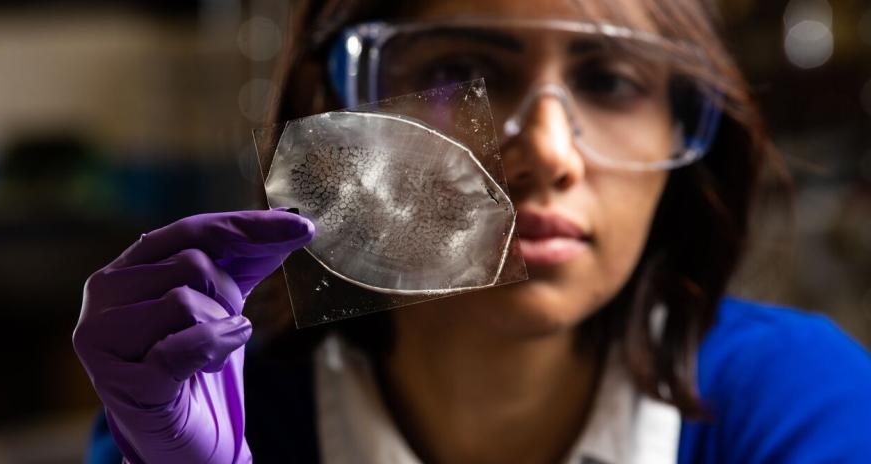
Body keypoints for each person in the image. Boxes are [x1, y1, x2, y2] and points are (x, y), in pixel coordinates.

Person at [74, 0, 871, 463]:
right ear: (341, 115)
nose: (547, 154)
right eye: (458, 76)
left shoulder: (796, 404)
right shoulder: (210, 406)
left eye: (610, 82)